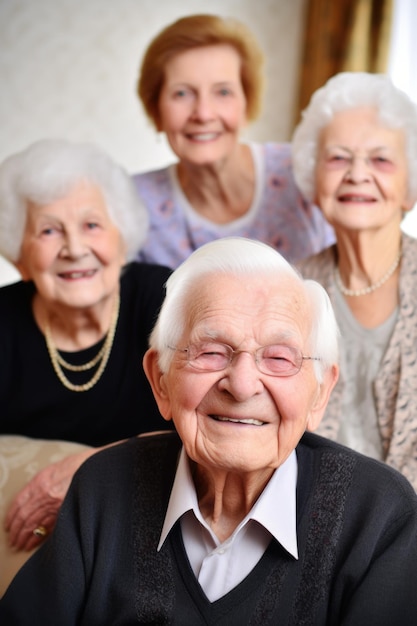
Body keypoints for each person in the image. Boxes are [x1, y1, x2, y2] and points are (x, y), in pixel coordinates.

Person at [1, 237, 417, 625]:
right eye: (211, 352)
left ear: (320, 393)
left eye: (278, 357)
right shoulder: (102, 487)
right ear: (160, 381)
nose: (241, 384)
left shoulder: (379, 515)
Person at [0, 138, 172, 558]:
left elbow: (210, 422)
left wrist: (88, 468)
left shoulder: (161, 299)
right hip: (31, 551)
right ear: (21, 253)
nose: (75, 249)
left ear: (121, 237)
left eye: (92, 225)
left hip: (155, 531)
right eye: (48, 230)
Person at [292, 71, 417, 490]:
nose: (357, 174)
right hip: (314, 526)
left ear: (409, 188)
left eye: (380, 159)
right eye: (338, 158)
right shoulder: (289, 290)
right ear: (314, 180)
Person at [133, 13, 334, 268]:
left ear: (246, 105)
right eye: (182, 93)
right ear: (156, 109)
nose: (203, 113)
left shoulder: (304, 173)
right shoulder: (135, 203)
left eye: (223, 92)